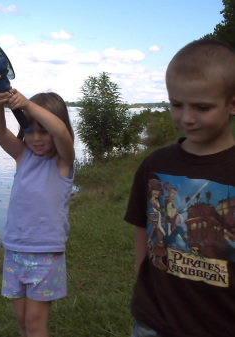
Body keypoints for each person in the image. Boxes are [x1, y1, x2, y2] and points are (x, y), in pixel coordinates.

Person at [125, 39, 235, 337]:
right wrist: (142, 277)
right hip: (154, 320)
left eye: (202, 107)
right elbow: (141, 225)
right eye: (177, 105)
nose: (186, 118)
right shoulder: (155, 164)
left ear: (232, 103)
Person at [0, 87, 75, 337]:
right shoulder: (22, 156)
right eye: (29, 130)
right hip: (14, 251)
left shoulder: (63, 162)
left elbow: (60, 130)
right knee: (22, 320)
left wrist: (26, 104)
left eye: (43, 131)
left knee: (36, 322)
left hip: (45, 255)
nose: (36, 138)